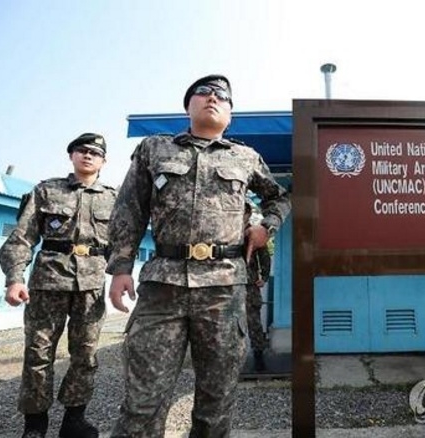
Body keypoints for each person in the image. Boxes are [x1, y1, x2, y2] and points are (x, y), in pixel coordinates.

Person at [106, 74, 291, 437]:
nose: (212, 97)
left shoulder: (245, 157)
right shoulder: (155, 148)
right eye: (203, 92)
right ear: (188, 106)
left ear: (230, 115)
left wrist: (265, 227)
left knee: (215, 403)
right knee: (143, 402)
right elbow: (129, 208)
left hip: (223, 291)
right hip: (163, 287)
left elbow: (280, 196)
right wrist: (121, 267)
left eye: (222, 95)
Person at [0, 133, 116, 438]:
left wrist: (122, 276)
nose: (87, 155)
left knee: (86, 355)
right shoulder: (47, 191)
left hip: (91, 286)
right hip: (48, 283)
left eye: (94, 153)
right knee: (38, 353)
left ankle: (74, 421)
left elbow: (123, 244)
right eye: (81, 150)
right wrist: (14, 279)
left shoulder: (114, 199)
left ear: (103, 161)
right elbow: (22, 238)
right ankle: (35, 425)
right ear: (71, 155)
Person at [243, 202, 272, 372]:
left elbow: (264, 255)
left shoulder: (254, 232)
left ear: (248, 214)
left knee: (254, 322)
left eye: (244, 213)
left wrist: (265, 276)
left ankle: (259, 357)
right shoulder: (227, 232)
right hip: (228, 284)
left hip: (250, 284)